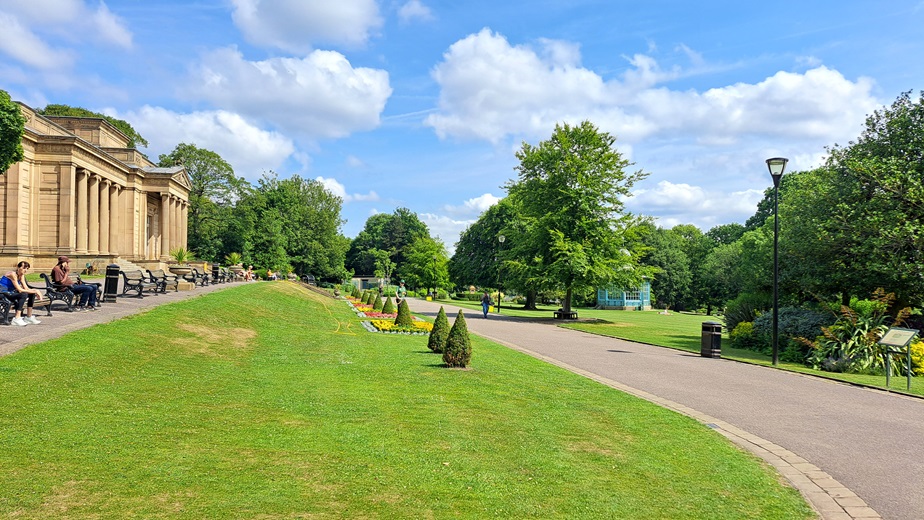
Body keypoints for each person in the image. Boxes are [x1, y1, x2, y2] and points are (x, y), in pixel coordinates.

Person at [1, 261, 43, 326]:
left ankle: (29, 317)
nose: (25, 270)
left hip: (10, 293)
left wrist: (36, 291)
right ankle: (16, 319)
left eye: (27, 268)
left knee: (31, 294)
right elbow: (20, 289)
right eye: (24, 268)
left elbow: (26, 288)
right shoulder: (12, 274)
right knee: (23, 294)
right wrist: (35, 291)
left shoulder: (21, 275)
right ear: (18, 267)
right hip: (2, 292)